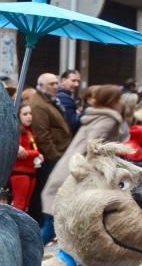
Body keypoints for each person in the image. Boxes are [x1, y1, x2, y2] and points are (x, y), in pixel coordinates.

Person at [42, 84, 127, 219]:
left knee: (57, 222)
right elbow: (93, 146)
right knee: (56, 225)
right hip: (78, 174)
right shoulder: (108, 119)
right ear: (111, 101)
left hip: (70, 169)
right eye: (119, 99)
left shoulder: (98, 116)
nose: (122, 103)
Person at [23, 74, 71, 240]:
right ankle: (42, 229)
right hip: (51, 158)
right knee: (46, 193)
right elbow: (42, 135)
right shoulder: (39, 104)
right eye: (52, 83)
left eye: (57, 83)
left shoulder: (49, 101)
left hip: (58, 154)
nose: (56, 86)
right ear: (41, 85)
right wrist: (56, 158)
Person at [11, 104, 43, 213]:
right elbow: (19, 151)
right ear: (18, 116)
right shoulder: (16, 132)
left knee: (25, 206)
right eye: (25, 114)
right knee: (19, 205)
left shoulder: (29, 132)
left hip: (31, 172)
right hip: (20, 172)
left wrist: (37, 155)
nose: (29, 116)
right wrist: (36, 154)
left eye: (30, 114)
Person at [57, 69, 82, 134]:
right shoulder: (64, 98)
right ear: (63, 80)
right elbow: (72, 124)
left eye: (78, 81)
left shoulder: (64, 96)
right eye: (73, 81)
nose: (77, 84)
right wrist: (80, 113)